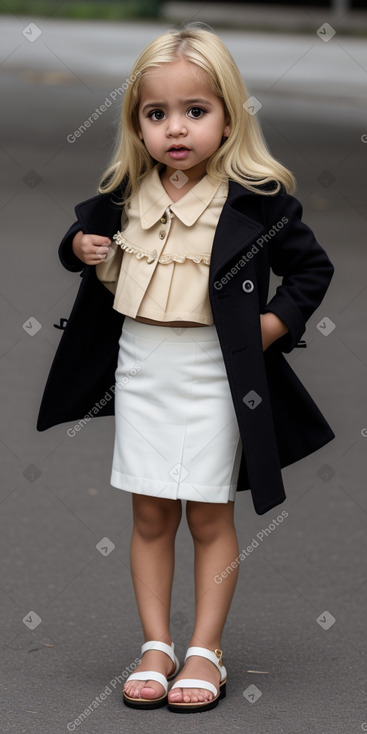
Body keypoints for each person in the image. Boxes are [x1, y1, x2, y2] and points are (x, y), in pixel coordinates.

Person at [37, 25, 335, 713]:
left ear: (228, 115)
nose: (176, 128)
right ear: (135, 122)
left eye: (194, 111)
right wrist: (77, 247)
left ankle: (205, 647)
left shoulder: (255, 201)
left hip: (213, 374)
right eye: (156, 113)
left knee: (206, 513)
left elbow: (310, 269)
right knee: (147, 511)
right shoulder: (124, 194)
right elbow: (79, 243)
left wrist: (273, 323)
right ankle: (154, 644)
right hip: (142, 367)